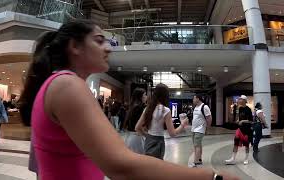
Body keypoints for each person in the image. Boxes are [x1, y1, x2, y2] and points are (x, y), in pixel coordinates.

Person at [18, 20, 237, 180]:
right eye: (99, 40)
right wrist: (212, 177)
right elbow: (122, 166)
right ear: (75, 46)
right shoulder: (67, 85)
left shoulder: (58, 85)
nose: (108, 47)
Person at [135, 84, 189, 160]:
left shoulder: (148, 108)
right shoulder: (165, 110)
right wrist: (182, 124)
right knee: (157, 166)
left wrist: (147, 136)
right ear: (165, 96)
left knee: (149, 164)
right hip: (159, 141)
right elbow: (172, 133)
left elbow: (137, 127)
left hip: (148, 140)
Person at [225, 95, 253, 165]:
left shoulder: (248, 109)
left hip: (246, 130)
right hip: (240, 129)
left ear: (244, 101)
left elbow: (251, 121)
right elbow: (240, 118)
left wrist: (243, 121)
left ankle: (246, 159)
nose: (239, 100)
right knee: (236, 142)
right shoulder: (240, 108)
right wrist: (238, 120)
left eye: (240, 99)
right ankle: (233, 158)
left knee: (246, 144)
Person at [189, 94, 212, 168]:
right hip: (194, 129)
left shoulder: (204, 107)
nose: (193, 100)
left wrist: (207, 129)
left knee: (197, 146)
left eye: (194, 98)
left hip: (200, 129)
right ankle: (199, 159)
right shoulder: (196, 107)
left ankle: (195, 162)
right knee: (197, 145)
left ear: (198, 99)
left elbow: (209, 118)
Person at [123, 88, 147, 154]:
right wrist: (147, 136)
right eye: (145, 95)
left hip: (132, 137)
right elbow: (138, 126)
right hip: (137, 138)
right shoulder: (139, 107)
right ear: (140, 96)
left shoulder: (133, 106)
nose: (146, 97)